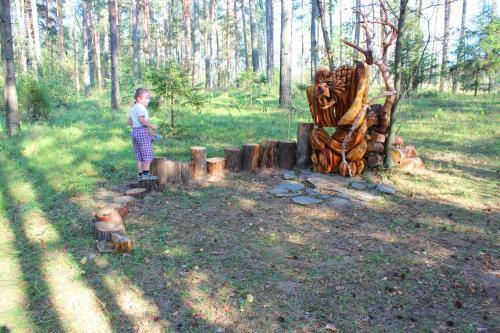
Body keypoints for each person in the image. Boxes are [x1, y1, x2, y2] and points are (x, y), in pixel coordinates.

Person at [128, 88, 158, 181]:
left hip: (134, 131)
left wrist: (135, 127)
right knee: (148, 154)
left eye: (149, 98)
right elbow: (141, 119)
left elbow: (129, 121)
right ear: (138, 98)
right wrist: (151, 125)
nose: (148, 100)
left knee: (139, 156)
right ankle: (145, 175)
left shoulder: (133, 107)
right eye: (146, 98)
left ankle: (141, 175)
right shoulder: (141, 107)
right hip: (141, 132)